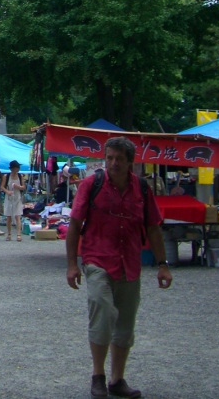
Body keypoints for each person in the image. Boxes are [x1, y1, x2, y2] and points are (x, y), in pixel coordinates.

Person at [66, 137, 172, 399]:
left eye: (119, 159)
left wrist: (163, 265)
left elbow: (153, 228)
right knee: (101, 310)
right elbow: (75, 225)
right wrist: (71, 265)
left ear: (130, 163)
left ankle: (117, 379)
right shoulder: (93, 184)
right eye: (109, 157)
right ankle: (97, 375)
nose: (113, 163)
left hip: (129, 262)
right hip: (97, 258)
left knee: (125, 324)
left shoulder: (142, 188)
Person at [1, 160, 25, 241]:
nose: (17, 169)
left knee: (18, 216)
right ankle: (9, 234)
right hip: (9, 198)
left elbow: (23, 187)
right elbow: (2, 187)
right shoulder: (6, 176)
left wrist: (18, 186)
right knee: (8, 217)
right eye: (16, 168)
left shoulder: (20, 176)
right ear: (12, 168)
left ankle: (18, 234)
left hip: (17, 197)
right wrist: (7, 191)